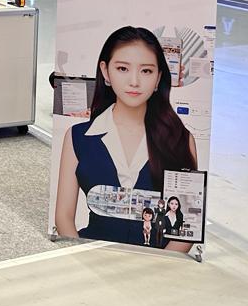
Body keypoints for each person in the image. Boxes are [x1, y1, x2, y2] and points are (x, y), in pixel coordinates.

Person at [55, 26, 197, 251]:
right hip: (91, 257)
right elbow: (63, 217)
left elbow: (186, 229)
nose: (134, 81)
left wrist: (156, 268)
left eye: (146, 71)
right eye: (122, 68)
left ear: (159, 77)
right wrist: (84, 262)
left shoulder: (181, 140)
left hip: (159, 265)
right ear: (105, 72)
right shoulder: (77, 137)